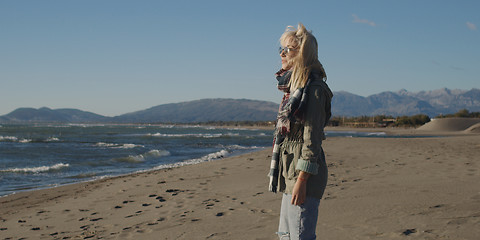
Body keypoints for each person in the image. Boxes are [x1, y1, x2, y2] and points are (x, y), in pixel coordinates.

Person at [268, 23, 333, 240]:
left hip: (303, 175)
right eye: (281, 49)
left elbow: (312, 139)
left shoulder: (313, 90)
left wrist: (302, 180)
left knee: (299, 237)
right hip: (290, 172)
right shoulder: (295, 89)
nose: (282, 54)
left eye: (288, 50)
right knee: (285, 236)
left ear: (302, 54)